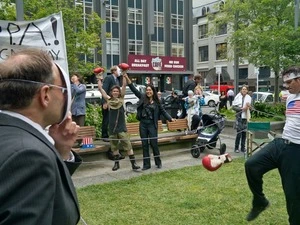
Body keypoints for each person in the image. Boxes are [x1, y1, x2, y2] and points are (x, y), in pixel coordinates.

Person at [0, 49, 82, 225]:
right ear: (45, 95)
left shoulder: (11, 137)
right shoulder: (29, 156)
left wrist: (60, 151)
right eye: (63, 91)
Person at [244, 66, 300, 224]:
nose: (287, 87)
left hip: (296, 151)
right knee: (251, 165)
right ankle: (260, 201)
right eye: (285, 83)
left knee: (293, 199)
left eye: (290, 82)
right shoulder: (290, 96)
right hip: (282, 143)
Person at [124, 74, 175, 170]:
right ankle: (146, 165)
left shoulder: (157, 101)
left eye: (150, 90)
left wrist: (170, 119)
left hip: (152, 125)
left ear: (153, 91)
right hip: (143, 124)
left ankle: (158, 162)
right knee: (144, 145)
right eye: (147, 90)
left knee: (154, 143)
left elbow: (163, 111)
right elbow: (134, 90)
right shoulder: (142, 97)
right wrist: (127, 78)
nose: (148, 92)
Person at [97, 75, 140, 171]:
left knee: (128, 146)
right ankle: (116, 164)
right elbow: (101, 89)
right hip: (112, 128)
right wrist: (99, 79)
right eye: (114, 91)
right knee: (114, 147)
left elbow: (124, 86)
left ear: (119, 92)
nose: (115, 92)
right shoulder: (109, 100)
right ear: (111, 93)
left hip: (121, 128)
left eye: (117, 91)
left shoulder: (121, 99)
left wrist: (124, 74)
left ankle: (134, 164)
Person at [101, 66, 122, 141]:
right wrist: (104, 102)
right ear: (114, 71)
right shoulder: (109, 78)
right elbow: (104, 89)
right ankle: (104, 136)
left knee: (112, 119)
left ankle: (112, 134)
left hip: (114, 103)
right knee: (106, 119)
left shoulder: (117, 80)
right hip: (108, 101)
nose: (120, 72)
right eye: (119, 70)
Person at [232, 85, 251, 153]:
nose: (244, 90)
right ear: (241, 90)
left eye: (245, 89)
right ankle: (236, 148)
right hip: (239, 117)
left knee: (244, 133)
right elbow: (233, 107)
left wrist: (249, 107)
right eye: (243, 89)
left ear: (247, 91)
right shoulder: (238, 97)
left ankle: (243, 148)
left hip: (245, 117)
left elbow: (251, 108)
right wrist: (241, 109)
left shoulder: (249, 98)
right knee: (239, 133)